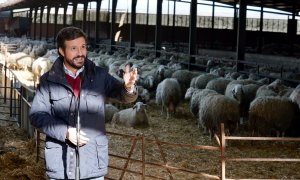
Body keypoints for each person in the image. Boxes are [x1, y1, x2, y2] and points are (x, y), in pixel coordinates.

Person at [29, 27, 138, 179]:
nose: (80, 53)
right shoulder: (49, 80)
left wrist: (128, 87)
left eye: (83, 47)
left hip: (92, 165)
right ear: (61, 51)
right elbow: (36, 115)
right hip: (61, 165)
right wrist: (65, 132)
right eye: (74, 48)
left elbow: (123, 96)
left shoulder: (99, 75)